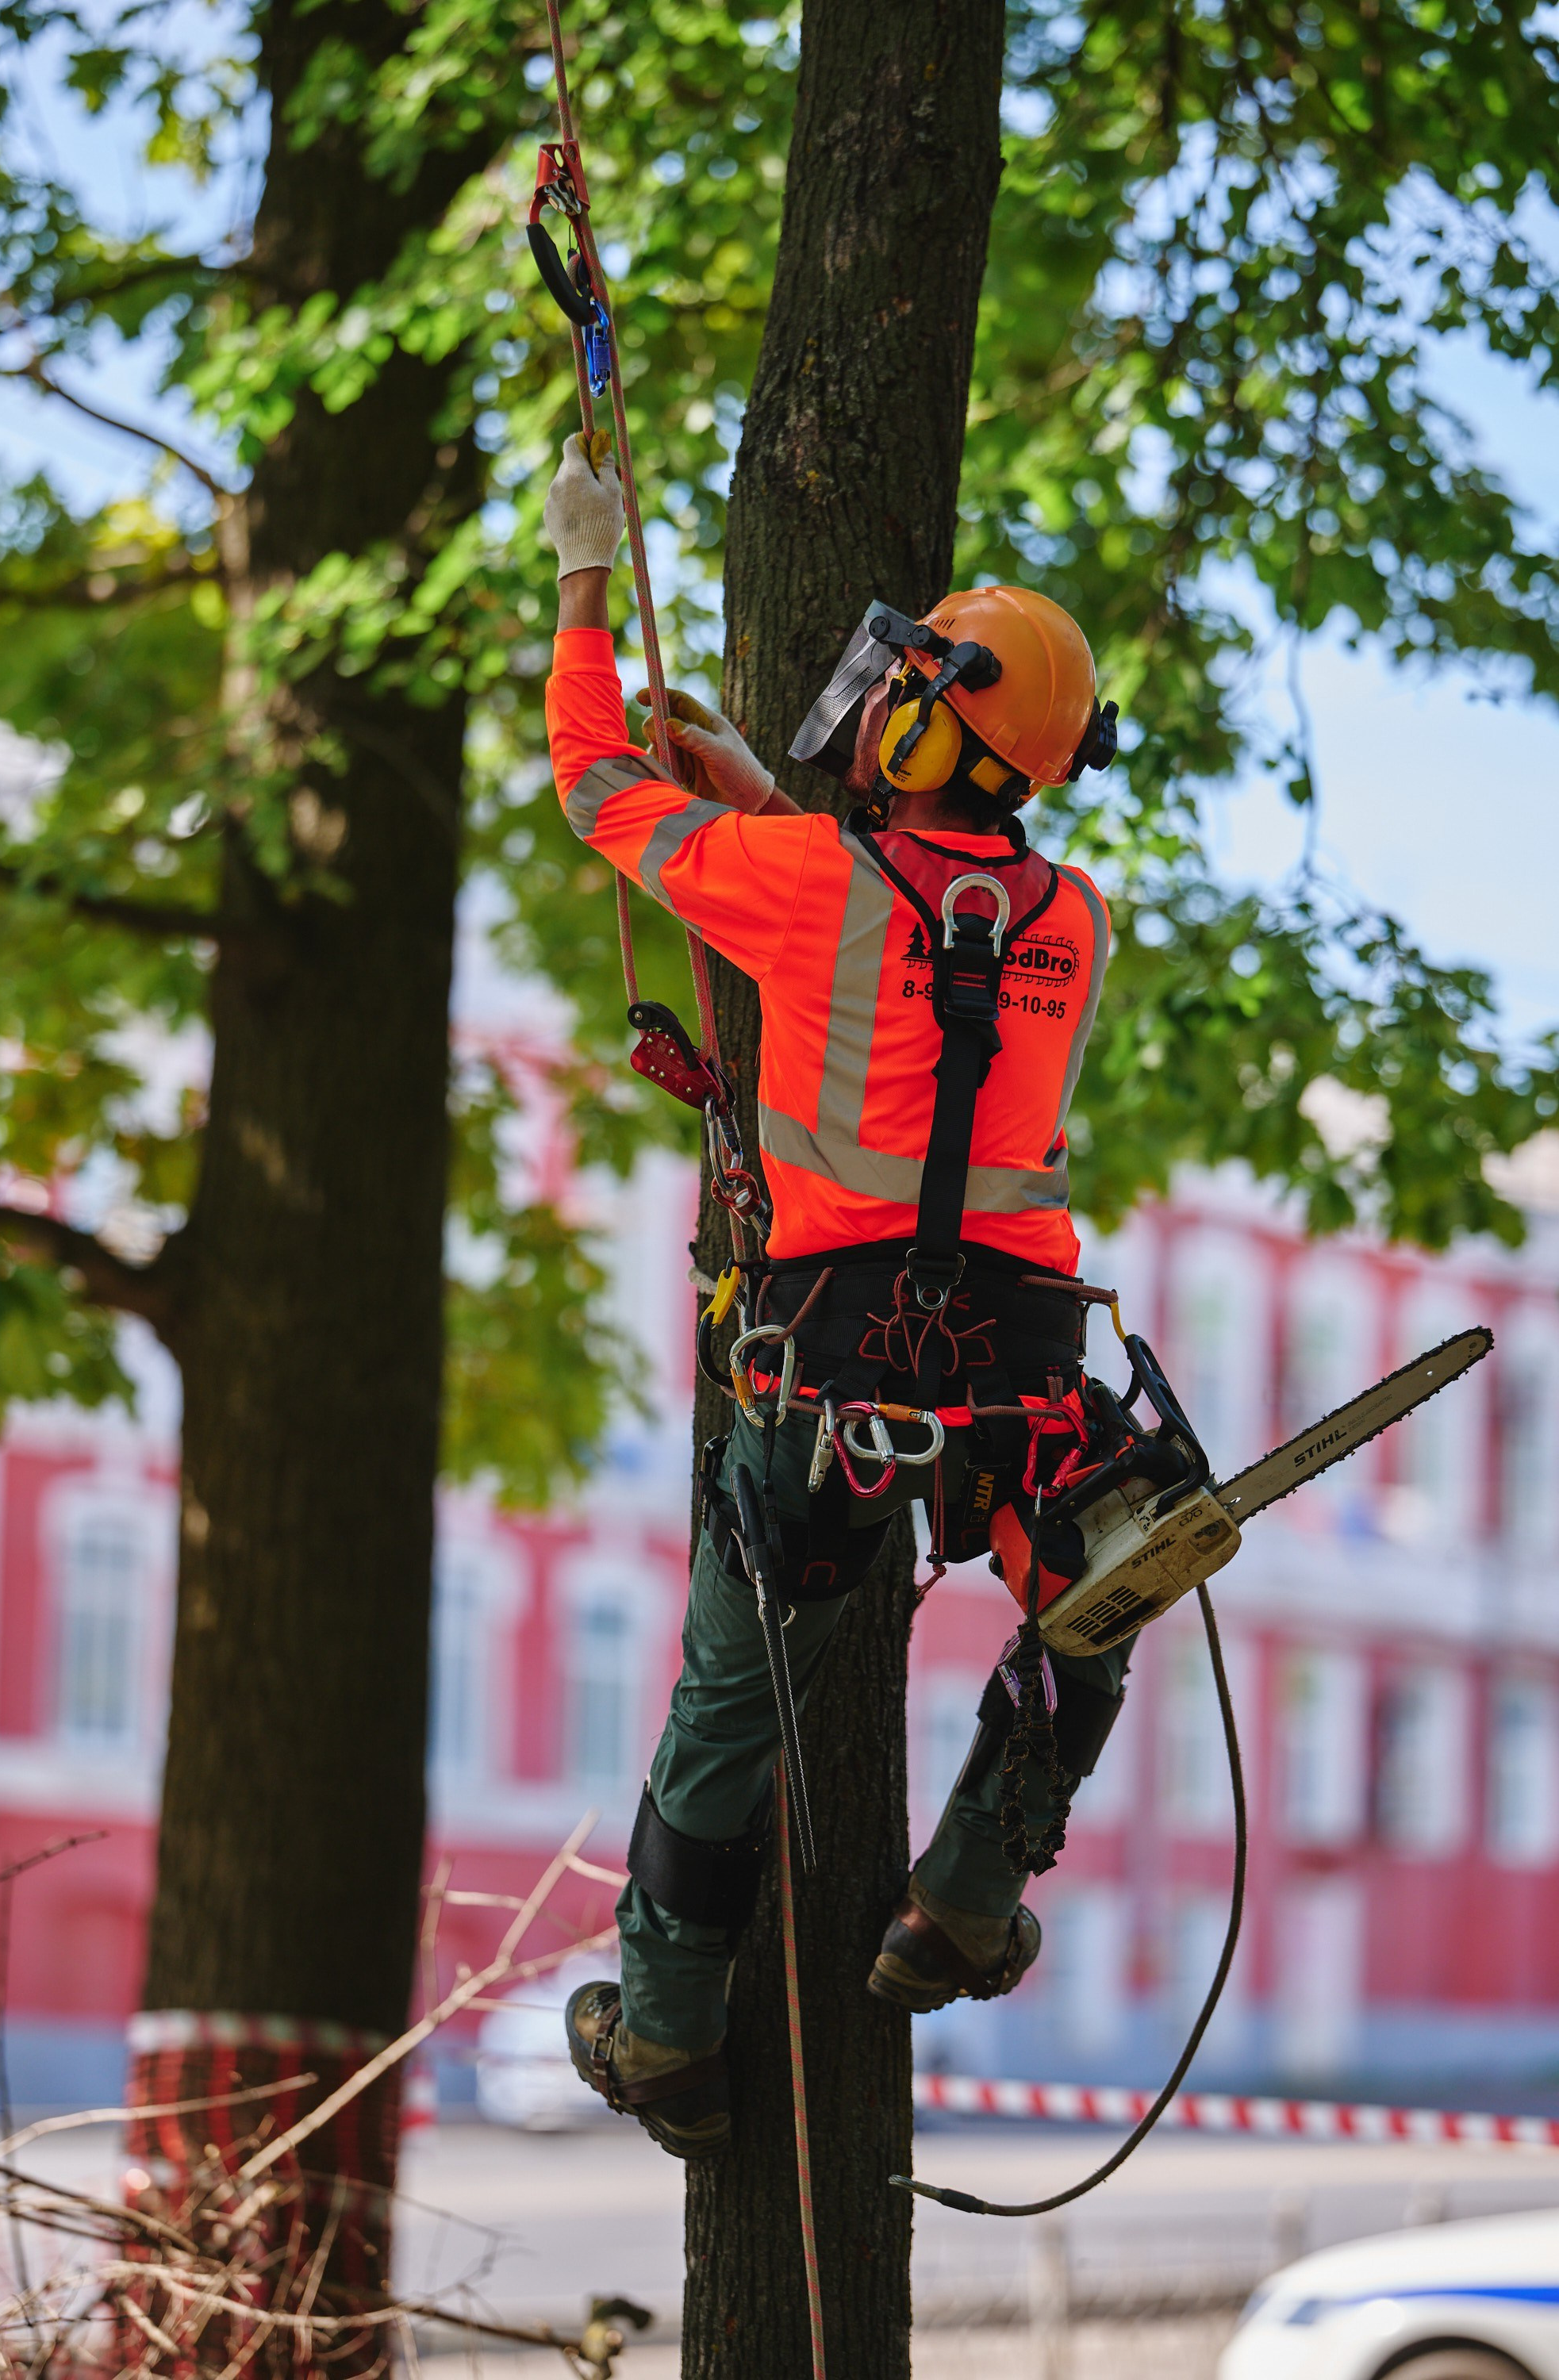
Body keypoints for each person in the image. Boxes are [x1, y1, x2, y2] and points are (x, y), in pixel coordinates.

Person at [540, 430, 1131, 2159]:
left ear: (934, 729)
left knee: (735, 1691)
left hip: (833, 1366)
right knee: (1095, 1594)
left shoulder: (803, 885)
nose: (873, 709)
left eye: (902, 696)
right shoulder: (1072, 918)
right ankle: (962, 1899)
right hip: (1017, 1369)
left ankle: (666, 2033)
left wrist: (583, 569)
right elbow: (925, 933)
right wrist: (760, 795)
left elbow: (590, 782)